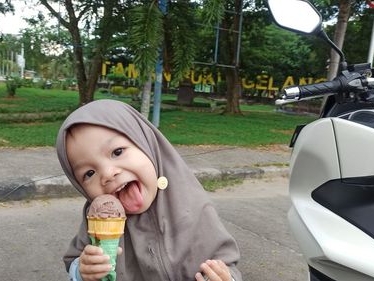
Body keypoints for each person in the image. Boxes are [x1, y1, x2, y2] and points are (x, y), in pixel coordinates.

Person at [56, 99, 242, 281]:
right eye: (89, 173)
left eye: (117, 152)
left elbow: (224, 262)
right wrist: (83, 271)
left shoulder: (193, 204)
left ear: (147, 145)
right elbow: (74, 260)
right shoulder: (95, 219)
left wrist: (223, 277)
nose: (107, 174)